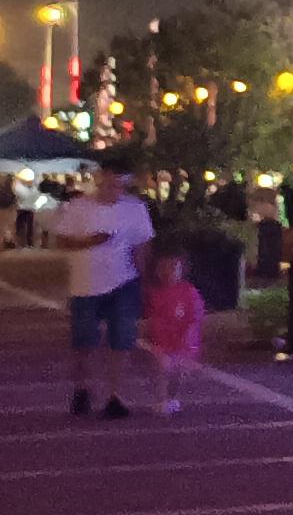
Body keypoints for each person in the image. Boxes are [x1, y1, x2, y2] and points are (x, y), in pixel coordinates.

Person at [46, 161, 154, 417]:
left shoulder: (135, 209)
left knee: (122, 340)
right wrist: (89, 242)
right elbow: (61, 242)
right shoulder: (78, 207)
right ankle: (82, 388)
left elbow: (142, 245)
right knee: (84, 342)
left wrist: (144, 280)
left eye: (118, 184)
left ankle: (115, 395)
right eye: (108, 183)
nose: (112, 189)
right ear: (98, 180)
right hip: (85, 285)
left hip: (124, 281)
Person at [137, 243, 206, 414]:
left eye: (173, 267)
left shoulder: (189, 292)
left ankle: (172, 397)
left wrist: (189, 339)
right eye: (163, 267)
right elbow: (148, 317)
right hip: (160, 341)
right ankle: (161, 399)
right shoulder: (153, 293)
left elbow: (194, 317)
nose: (168, 272)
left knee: (177, 374)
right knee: (161, 370)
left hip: (182, 342)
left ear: (182, 270)